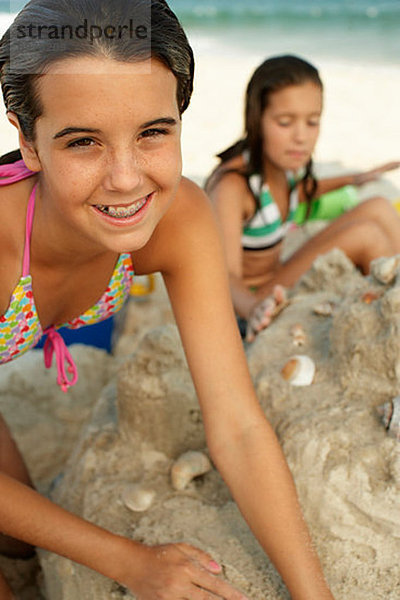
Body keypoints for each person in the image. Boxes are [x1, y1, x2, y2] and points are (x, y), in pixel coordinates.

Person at [0, 2, 335, 598]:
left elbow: (237, 425)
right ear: (26, 139)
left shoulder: (178, 217)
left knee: (20, 541)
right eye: (83, 142)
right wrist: (131, 561)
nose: (127, 179)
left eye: (153, 131)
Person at [205, 55, 400, 342]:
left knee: (378, 206)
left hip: (277, 277)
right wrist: (254, 309)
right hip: (253, 304)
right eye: (285, 122)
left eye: (312, 122)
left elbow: (303, 189)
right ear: (257, 120)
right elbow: (225, 277)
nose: (301, 137)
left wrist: (354, 179)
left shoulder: (282, 169)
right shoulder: (233, 187)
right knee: (366, 234)